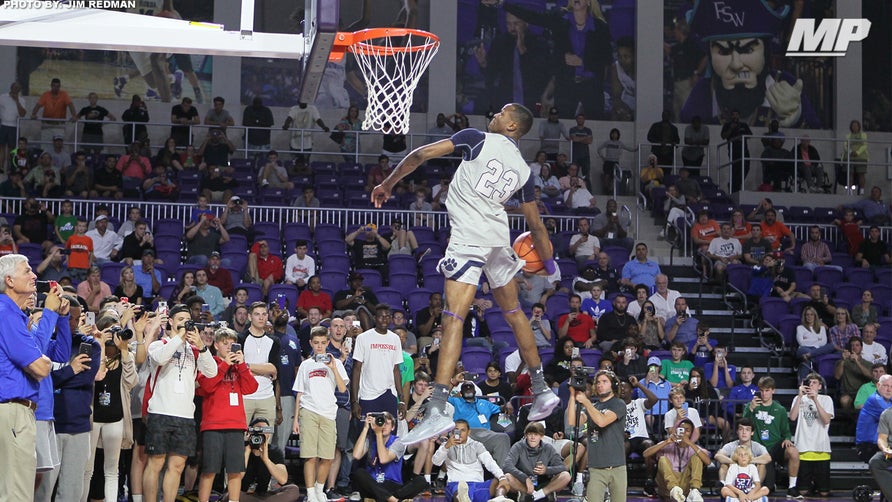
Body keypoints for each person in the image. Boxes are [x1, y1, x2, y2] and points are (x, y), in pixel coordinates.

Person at [371, 103, 559, 444]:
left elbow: (420, 155)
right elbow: (536, 226)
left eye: (502, 112)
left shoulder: (477, 138)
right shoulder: (524, 170)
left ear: (513, 126)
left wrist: (388, 182)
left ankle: (439, 406)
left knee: (453, 317)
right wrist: (550, 264)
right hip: (499, 241)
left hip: (470, 239)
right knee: (515, 313)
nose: (496, 114)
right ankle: (543, 389)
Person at [142, 304, 217, 502]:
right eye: (181, 319)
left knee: (177, 466)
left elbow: (212, 372)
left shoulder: (194, 350)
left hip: (185, 416)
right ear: (172, 322)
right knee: (155, 464)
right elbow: (160, 358)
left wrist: (201, 345)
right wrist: (180, 337)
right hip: (160, 412)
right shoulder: (159, 344)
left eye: (187, 319)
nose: (185, 322)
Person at [0, 255, 53, 500]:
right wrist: (47, 362)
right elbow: (40, 367)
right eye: (27, 271)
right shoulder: (6, 313)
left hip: (14, 413)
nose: (34, 276)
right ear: (9, 280)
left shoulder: (12, 314)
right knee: (17, 493)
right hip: (12, 412)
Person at [194, 327, 258, 502]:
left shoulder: (240, 367)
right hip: (213, 425)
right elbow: (205, 388)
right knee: (209, 470)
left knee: (235, 471)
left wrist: (242, 365)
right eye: (225, 343)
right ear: (216, 345)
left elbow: (251, 388)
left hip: (236, 425)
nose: (229, 347)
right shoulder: (209, 363)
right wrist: (224, 366)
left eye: (232, 343)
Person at [294, 327, 349, 502]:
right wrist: (296, 419)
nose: (319, 346)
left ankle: (319, 489)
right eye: (316, 343)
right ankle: (310, 493)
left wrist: (333, 368)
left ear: (327, 343)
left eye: (323, 343)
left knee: (327, 456)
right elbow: (300, 393)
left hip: (328, 412)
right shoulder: (305, 365)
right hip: (308, 411)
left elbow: (342, 389)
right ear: (310, 343)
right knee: (310, 456)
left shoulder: (336, 363)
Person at [567, 370, 628, 502]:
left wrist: (586, 402)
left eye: (605, 382)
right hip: (596, 467)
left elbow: (602, 421)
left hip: (617, 466)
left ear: (613, 385)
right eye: (598, 382)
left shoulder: (618, 404)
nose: (600, 385)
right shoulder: (593, 407)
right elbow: (572, 421)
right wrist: (572, 396)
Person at [742, 376, 800, 496]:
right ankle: (769, 483)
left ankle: (792, 487)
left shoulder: (780, 409)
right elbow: (744, 425)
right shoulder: (751, 406)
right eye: (762, 390)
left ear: (773, 390)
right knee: (767, 488)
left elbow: (786, 431)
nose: (764, 394)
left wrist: (788, 439)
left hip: (775, 446)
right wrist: (751, 409)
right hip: (758, 447)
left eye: (767, 390)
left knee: (793, 452)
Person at [351, 412, 428, 502]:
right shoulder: (371, 439)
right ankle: (393, 500)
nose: (383, 426)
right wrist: (365, 428)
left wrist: (378, 433)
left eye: (387, 423)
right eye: (381, 422)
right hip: (373, 485)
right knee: (359, 472)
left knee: (421, 481)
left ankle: (387, 498)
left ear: (393, 427)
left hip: (393, 485)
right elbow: (356, 455)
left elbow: (384, 459)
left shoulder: (398, 442)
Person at [351, 304, 403, 420]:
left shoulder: (395, 339)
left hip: (389, 394)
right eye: (381, 316)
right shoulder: (363, 338)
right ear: (374, 318)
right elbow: (356, 369)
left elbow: (396, 370)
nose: (384, 319)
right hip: (368, 394)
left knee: (390, 435)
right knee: (367, 434)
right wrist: (354, 401)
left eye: (387, 316)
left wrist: (402, 400)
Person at [642, 418, 710, 502]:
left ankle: (694, 490)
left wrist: (690, 443)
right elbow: (645, 454)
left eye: (687, 430)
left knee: (697, 457)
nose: (684, 432)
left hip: (686, 487)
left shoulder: (694, 448)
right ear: (676, 430)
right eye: (681, 429)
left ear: (691, 434)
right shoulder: (667, 444)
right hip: (667, 488)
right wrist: (666, 442)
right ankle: (674, 489)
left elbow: (708, 462)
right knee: (662, 459)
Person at [788, 373, 834, 498]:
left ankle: (816, 485)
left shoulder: (826, 399)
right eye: (809, 382)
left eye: (814, 383)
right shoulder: (798, 399)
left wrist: (815, 400)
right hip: (803, 447)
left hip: (821, 448)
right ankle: (809, 485)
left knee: (824, 492)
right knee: (802, 491)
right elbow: (792, 417)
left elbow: (826, 420)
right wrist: (799, 396)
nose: (811, 385)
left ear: (820, 386)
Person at [502, 422, 571, 501]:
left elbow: (562, 467)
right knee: (507, 477)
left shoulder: (548, 448)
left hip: (543, 482)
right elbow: (507, 466)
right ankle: (527, 493)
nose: (532, 437)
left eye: (536, 435)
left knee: (566, 475)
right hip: (523, 483)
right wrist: (525, 478)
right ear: (525, 435)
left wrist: (546, 470)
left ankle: (540, 494)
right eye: (530, 434)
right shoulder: (518, 446)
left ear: (541, 436)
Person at [238, 302, 282, 424]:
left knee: (265, 438)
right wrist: (264, 368)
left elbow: (273, 369)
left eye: (264, 314)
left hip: (266, 397)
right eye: (257, 314)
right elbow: (237, 368)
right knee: (242, 439)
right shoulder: (240, 339)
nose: (261, 317)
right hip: (245, 397)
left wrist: (247, 366)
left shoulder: (274, 341)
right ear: (249, 317)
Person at [240, 416, 300, 501]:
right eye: (258, 430)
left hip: (263, 495)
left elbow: (283, 479)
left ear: (268, 434)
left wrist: (266, 459)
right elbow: (237, 477)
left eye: (264, 430)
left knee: (293, 489)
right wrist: (247, 452)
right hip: (242, 493)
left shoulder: (274, 451)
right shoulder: (241, 448)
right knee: (231, 494)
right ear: (250, 433)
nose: (260, 434)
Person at [715, 418, 772, 485]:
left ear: (752, 432)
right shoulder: (730, 445)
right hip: (734, 475)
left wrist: (749, 460)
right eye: (741, 429)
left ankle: (755, 486)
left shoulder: (757, 446)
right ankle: (723, 484)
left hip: (750, 474)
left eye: (747, 430)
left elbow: (768, 458)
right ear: (737, 431)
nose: (744, 432)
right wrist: (735, 461)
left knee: (762, 465)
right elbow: (718, 456)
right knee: (724, 464)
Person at [856, 374, 892, 462]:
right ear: (878, 385)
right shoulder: (875, 400)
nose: (889, 390)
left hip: (879, 444)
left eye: (891, 386)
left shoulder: (887, 399)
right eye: (886, 386)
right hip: (869, 446)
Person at [834, 337, 873, 410]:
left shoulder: (868, 363)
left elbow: (869, 375)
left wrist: (857, 362)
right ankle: (848, 420)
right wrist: (843, 360)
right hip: (847, 393)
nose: (854, 347)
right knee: (844, 400)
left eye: (857, 345)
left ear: (861, 348)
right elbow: (837, 376)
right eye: (852, 345)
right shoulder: (842, 362)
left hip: (862, 392)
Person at [720, 110, 753, 193]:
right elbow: (723, 136)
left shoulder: (743, 125)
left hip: (744, 151)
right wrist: (731, 128)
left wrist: (742, 136)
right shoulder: (727, 125)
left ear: (739, 116)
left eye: (737, 115)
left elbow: (750, 135)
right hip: (733, 151)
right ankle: (733, 187)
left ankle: (736, 185)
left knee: (746, 168)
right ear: (731, 116)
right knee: (735, 170)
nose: (735, 116)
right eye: (733, 115)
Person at [596, 128, 635, 192]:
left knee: (613, 177)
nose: (614, 135)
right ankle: (606, 189)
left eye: (616, 134)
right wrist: (602, 157)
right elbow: (599, 149)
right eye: (613, 134)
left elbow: (628, 148)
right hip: (608, 162)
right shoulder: (607, 142)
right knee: (607, 176)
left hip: (615, 163)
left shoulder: (620, 143)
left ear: (618, 135)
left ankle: (611, 190)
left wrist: (636, 149)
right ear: (611, 135)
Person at [842, 119, 869, 194]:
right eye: (853, 126)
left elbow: (864, 145)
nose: (854, 127)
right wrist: (850, 152)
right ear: (851, 127)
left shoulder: (863, 135)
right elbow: (845, 145)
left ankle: (862, 191)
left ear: (859, 127)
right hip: (850, 157)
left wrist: (857, 152)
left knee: (861, 174)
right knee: (850, 174)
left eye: (856, 126)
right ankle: (850, 191)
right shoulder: (848, 136)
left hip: (861, 157)